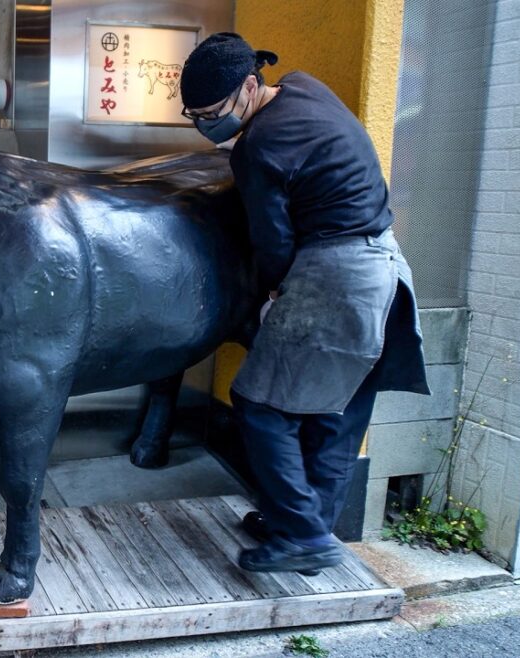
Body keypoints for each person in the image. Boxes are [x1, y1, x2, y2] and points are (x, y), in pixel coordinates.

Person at [180, 33, 430, 575]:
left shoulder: (258, 147)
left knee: (259, 403)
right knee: (337, 414)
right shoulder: (304, 89)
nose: (204, 125)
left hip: (338, 276)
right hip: (386, 267)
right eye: (192, 116)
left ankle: (301, 534)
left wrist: (273, 296)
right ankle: (307, 529)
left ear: (250, 85)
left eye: (212, 113)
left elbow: (274, 245)